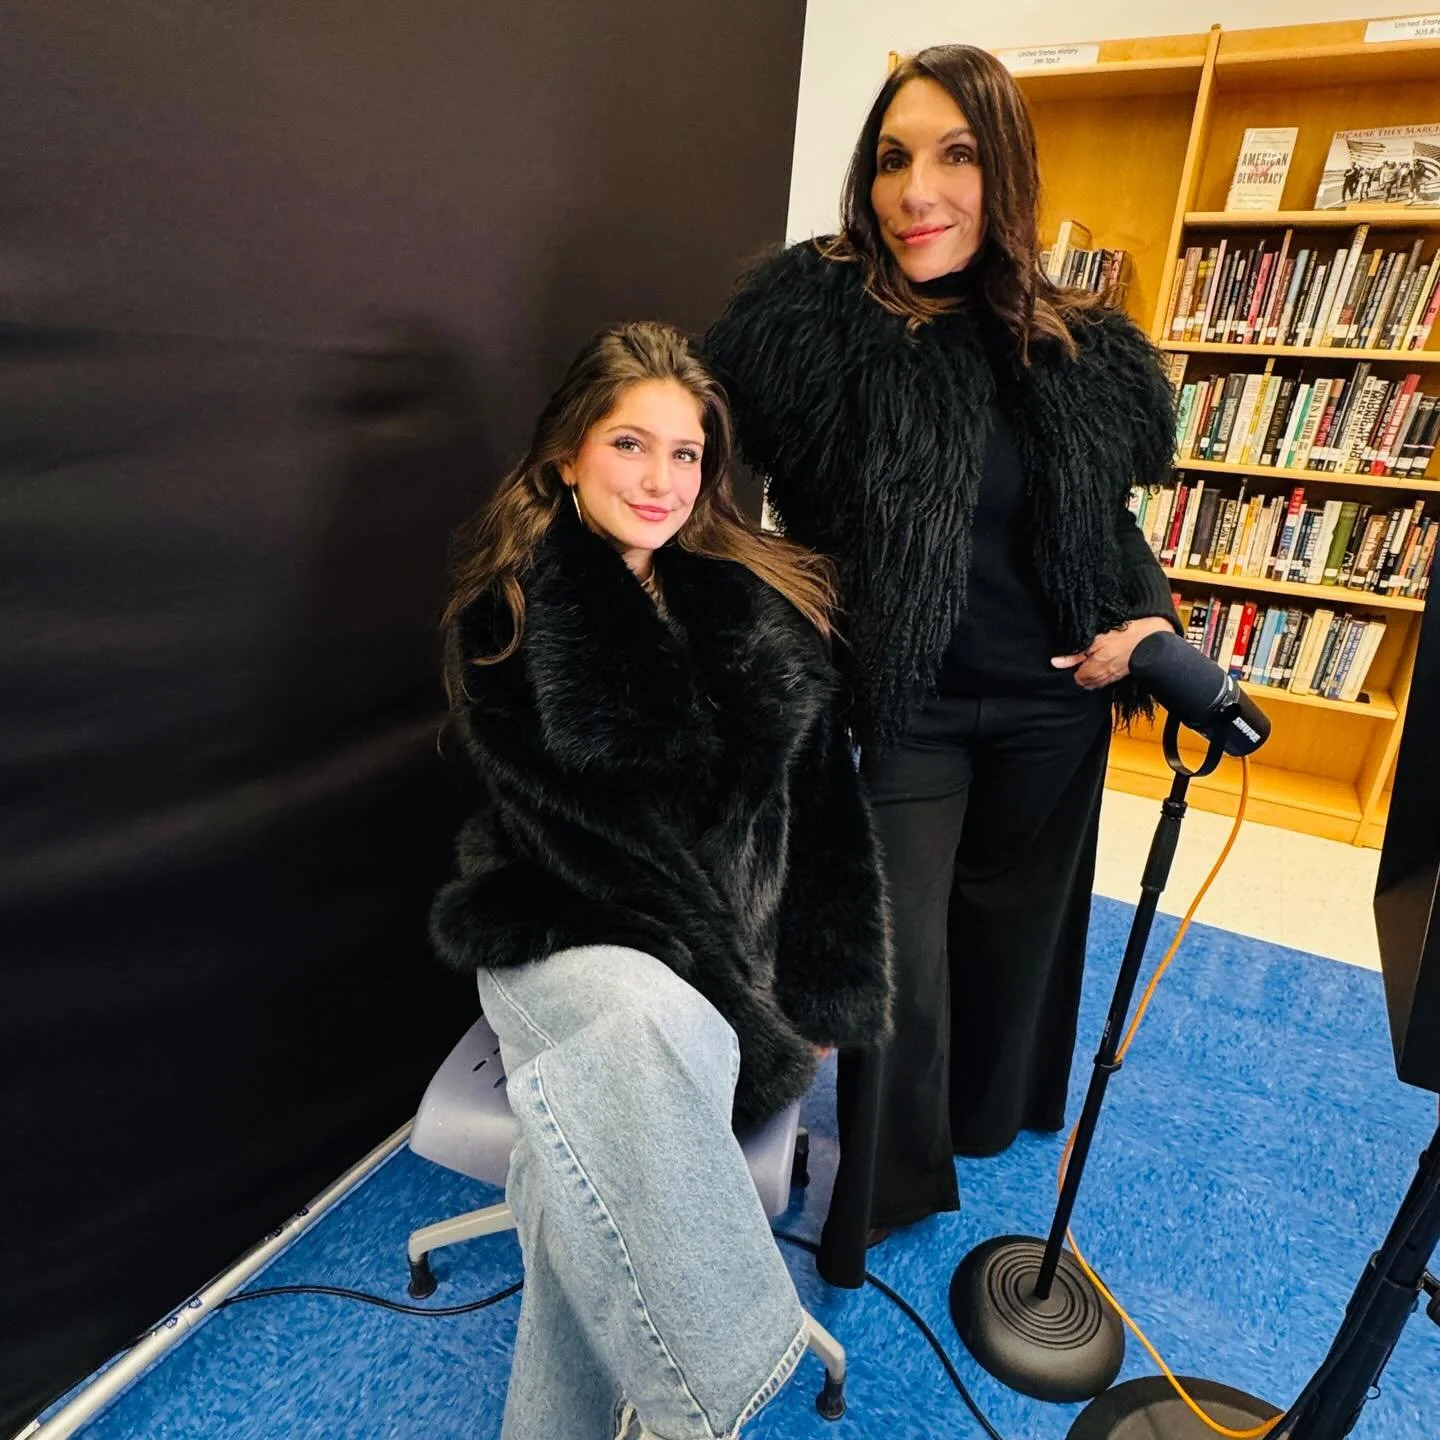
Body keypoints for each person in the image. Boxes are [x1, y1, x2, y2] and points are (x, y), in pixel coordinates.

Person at [703, 44, 1180, 1289]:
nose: (918, 191)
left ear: (1005, 171)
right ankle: (888, 1186)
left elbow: (1108, 527)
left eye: (956, 157)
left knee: (1019, 927)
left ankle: (991, 1114)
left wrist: (1146, 625)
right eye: (893, 159)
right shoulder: (810, 325)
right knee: (897, 958)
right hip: (906, 702)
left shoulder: (1080, 349)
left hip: (1054, 698)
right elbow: (713, 480)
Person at [428, 321, 893, 1440]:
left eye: (685, 454)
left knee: (562, 1182)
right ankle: (712, 1395)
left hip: (727, 973)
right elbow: (607, 857)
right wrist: (733, 996)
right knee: (642, 1024)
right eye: (629, 444)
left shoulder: (759, 603)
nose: (660, 479)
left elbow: (829, 816)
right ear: (567, 455)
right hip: (563, 938)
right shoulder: (512, 616)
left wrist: (819, 992)